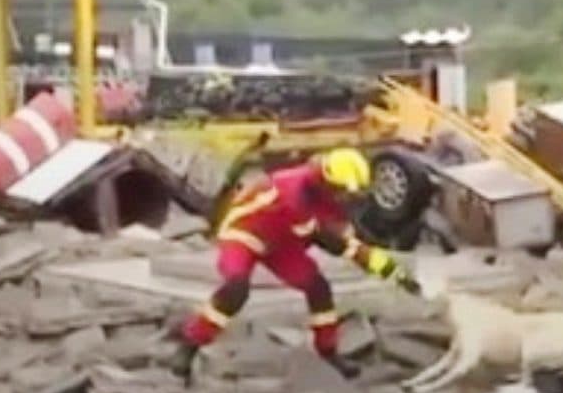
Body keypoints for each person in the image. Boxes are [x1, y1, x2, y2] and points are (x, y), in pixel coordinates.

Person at [165, 147, 421, 379]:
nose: (347, 199)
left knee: (318, 288)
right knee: (236, 289)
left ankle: (328, 352)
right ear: (329, 184)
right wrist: (339, 241)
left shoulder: (322, 198)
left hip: (283, 239)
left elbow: (349, 246)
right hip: (246, 231)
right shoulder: (294, 194)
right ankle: (189, 345)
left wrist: (395, 272)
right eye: (344, 192)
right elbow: (337, 244)